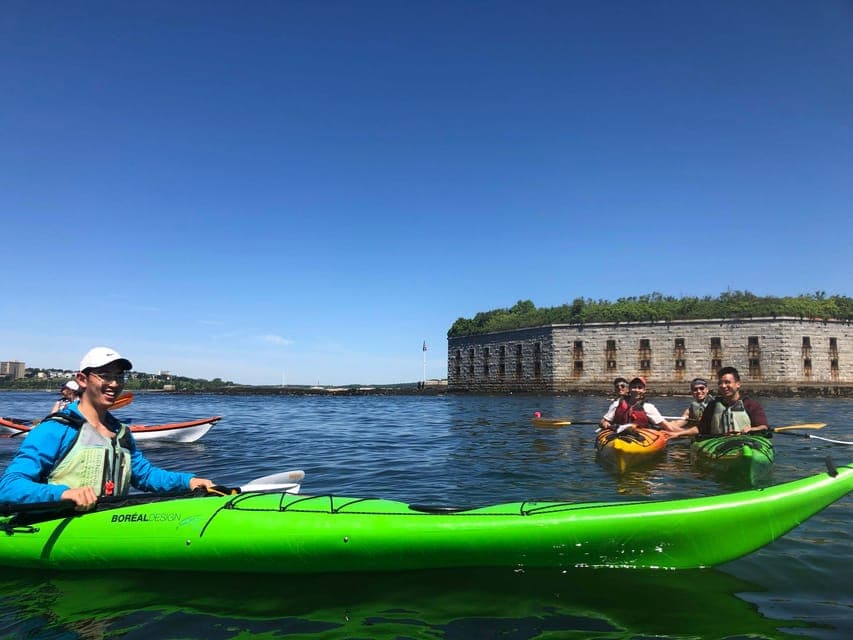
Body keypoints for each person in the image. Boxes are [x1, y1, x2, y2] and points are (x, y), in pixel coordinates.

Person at [0, 347, 214, 510]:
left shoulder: (122, 433)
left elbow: (145, 475)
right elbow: (8, 486)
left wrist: (189, 481)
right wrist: (64, 494)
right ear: (82, 379)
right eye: (105, 375)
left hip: (106, 521)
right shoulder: (54, 429)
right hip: (56, 523)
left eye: (119, 377)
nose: (114, 384)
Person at [679, 367, 769, 438]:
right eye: (720, 383)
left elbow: (763, 427)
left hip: (746, 441)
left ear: (738, 384)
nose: (723, 386)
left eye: (727, 382)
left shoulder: (751, 405)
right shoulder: (713, 405)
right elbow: (700, 429)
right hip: (719, 443)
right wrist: (678, 434)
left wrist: (752, 429)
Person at [599, 376, 685, 435]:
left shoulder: (648, 407)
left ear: (644, 390)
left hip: (641, 436)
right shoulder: (617, 403)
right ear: (629, 389)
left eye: (639, 388)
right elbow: (603, 421)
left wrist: (686, 432)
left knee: (669, 426)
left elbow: (667, 426)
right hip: (619, 434)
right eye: (634, 387)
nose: (636, 390)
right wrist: (605, 423)